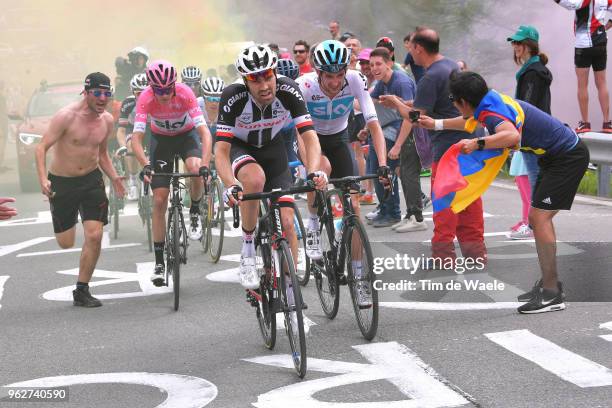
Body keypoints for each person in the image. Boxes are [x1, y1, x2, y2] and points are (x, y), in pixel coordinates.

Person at [425, 71, 589, 313]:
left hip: (567, 156)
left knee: (538, 218)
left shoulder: (491, 111)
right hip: (552, 157)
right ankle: (549, 285)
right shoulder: (487, 103)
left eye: (453, 100)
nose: (453, 105)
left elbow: (511, 135)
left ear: (464, 101)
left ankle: (552, 293)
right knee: (538, 218)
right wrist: (436, 124)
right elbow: (470, 121)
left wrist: (477, 143)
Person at [215, 44, 326, 290]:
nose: (264, 86)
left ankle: (289, 287)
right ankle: (247, 251)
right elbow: (220, 151)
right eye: (256, 80)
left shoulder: (288, 88)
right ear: (245, 81)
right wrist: (230, 185)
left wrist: (314, 170)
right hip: (241, 147)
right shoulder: (233, 96)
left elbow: (309, 136)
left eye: (268, 76)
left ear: (275, 72)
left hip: (273, 149)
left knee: (287, 223)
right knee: (254, 180)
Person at [296, 40, 391, 306]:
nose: (336, 82)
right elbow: (300, 136)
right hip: (310, 139)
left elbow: (374, 125)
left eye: (340, 75)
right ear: (318, 73)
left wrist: (383, 164)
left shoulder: (356, 80)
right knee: (321, 171)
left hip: (338, 140)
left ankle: (360, 278)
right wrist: (310, 169)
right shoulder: (304, 86)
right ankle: (314, 224)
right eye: (330, 76)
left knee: (354, 207)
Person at [387, 26, 486, 267]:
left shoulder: (430, 76)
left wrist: (395, 104)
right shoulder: (452, 66)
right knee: (469, 202)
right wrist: (405, 102)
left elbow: (417, 118)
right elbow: (439, 103)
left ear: (419, 48)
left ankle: (443, 258)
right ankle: (476, 256)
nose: (409, 51)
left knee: (444, 205)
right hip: (470, 147)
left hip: (447, 151)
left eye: (410, 47)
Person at [35, 72, 126, 307]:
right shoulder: (66, 117)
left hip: (91, 181)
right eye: (97, 93)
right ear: (86, 93)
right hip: (62, 183)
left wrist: (114, 178)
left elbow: (103, 153)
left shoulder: (106, 120)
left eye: (107, 93)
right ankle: (63, 218)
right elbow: (41, 147)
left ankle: (82, 290)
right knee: (66, 242)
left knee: (94, 235)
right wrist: (44, 179)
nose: (103, 98)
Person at [131, 60, 213, 287]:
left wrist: (205, 164)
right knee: (159, 200)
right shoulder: (145, 98)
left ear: (175, 84)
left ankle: (195, 210)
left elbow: (205, 133)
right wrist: (145, 164)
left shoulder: (185, 93)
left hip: (186, 137)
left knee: (195, 168)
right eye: (160, 90)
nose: (165, 94)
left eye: (169, 89)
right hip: (161, 142)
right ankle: (159, 263)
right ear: (151, 87)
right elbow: (137, 139)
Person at [507, 24, 553, 238]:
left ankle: (536, 226)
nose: (516, 46)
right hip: (535, 133)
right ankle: (537, 225)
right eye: (514, 42)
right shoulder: (533, 70)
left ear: (529, 46)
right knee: (536, 179)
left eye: (519, 42)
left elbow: (527, 105)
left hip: (533, 134)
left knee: (535, 179)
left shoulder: (534, 73)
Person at [367, 47, 421, 229]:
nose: (374, 68)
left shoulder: (401, 82)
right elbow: (367, 102)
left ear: (389, 63)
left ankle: (394, 212)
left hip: (403, 130)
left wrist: (397, 146)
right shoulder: (382, 82)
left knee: (390, 171)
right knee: (377, 170)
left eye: (378, 64)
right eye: (371, 64)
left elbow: (411, 116)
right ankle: (385, 209)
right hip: (389, 129)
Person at [553, 0, 611, 133]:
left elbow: (573, 5)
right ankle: (607, 123)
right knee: (602, 82)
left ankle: (585, 123)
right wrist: (607, 25)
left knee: (582, 85)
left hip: (584, 44)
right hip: (601, 42)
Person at [116, 73, 150, 201]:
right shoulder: (128, 103)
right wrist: (123, 146)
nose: (142, 96)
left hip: (150, 130)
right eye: (138, 93)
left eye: (146, 92)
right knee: (131, 147)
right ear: (132, 92)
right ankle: (133, 180)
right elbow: (121, 130)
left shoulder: (157, 101)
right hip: (133, 129)